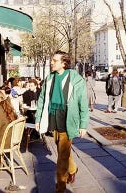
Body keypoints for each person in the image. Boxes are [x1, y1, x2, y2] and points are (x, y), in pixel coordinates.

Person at [34, 51, 89, 193]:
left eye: (55, 60)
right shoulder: (49, 78)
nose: (51, 62)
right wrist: (38, 118)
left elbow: (83, 102)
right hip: (53, 117)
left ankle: (60, 187)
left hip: (68, 119)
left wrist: (83, 124)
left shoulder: (75, 78)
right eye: (52, 60)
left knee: (62, 157)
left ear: (64, 63)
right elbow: (41, 100)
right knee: (61, 149)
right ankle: (73, 169)